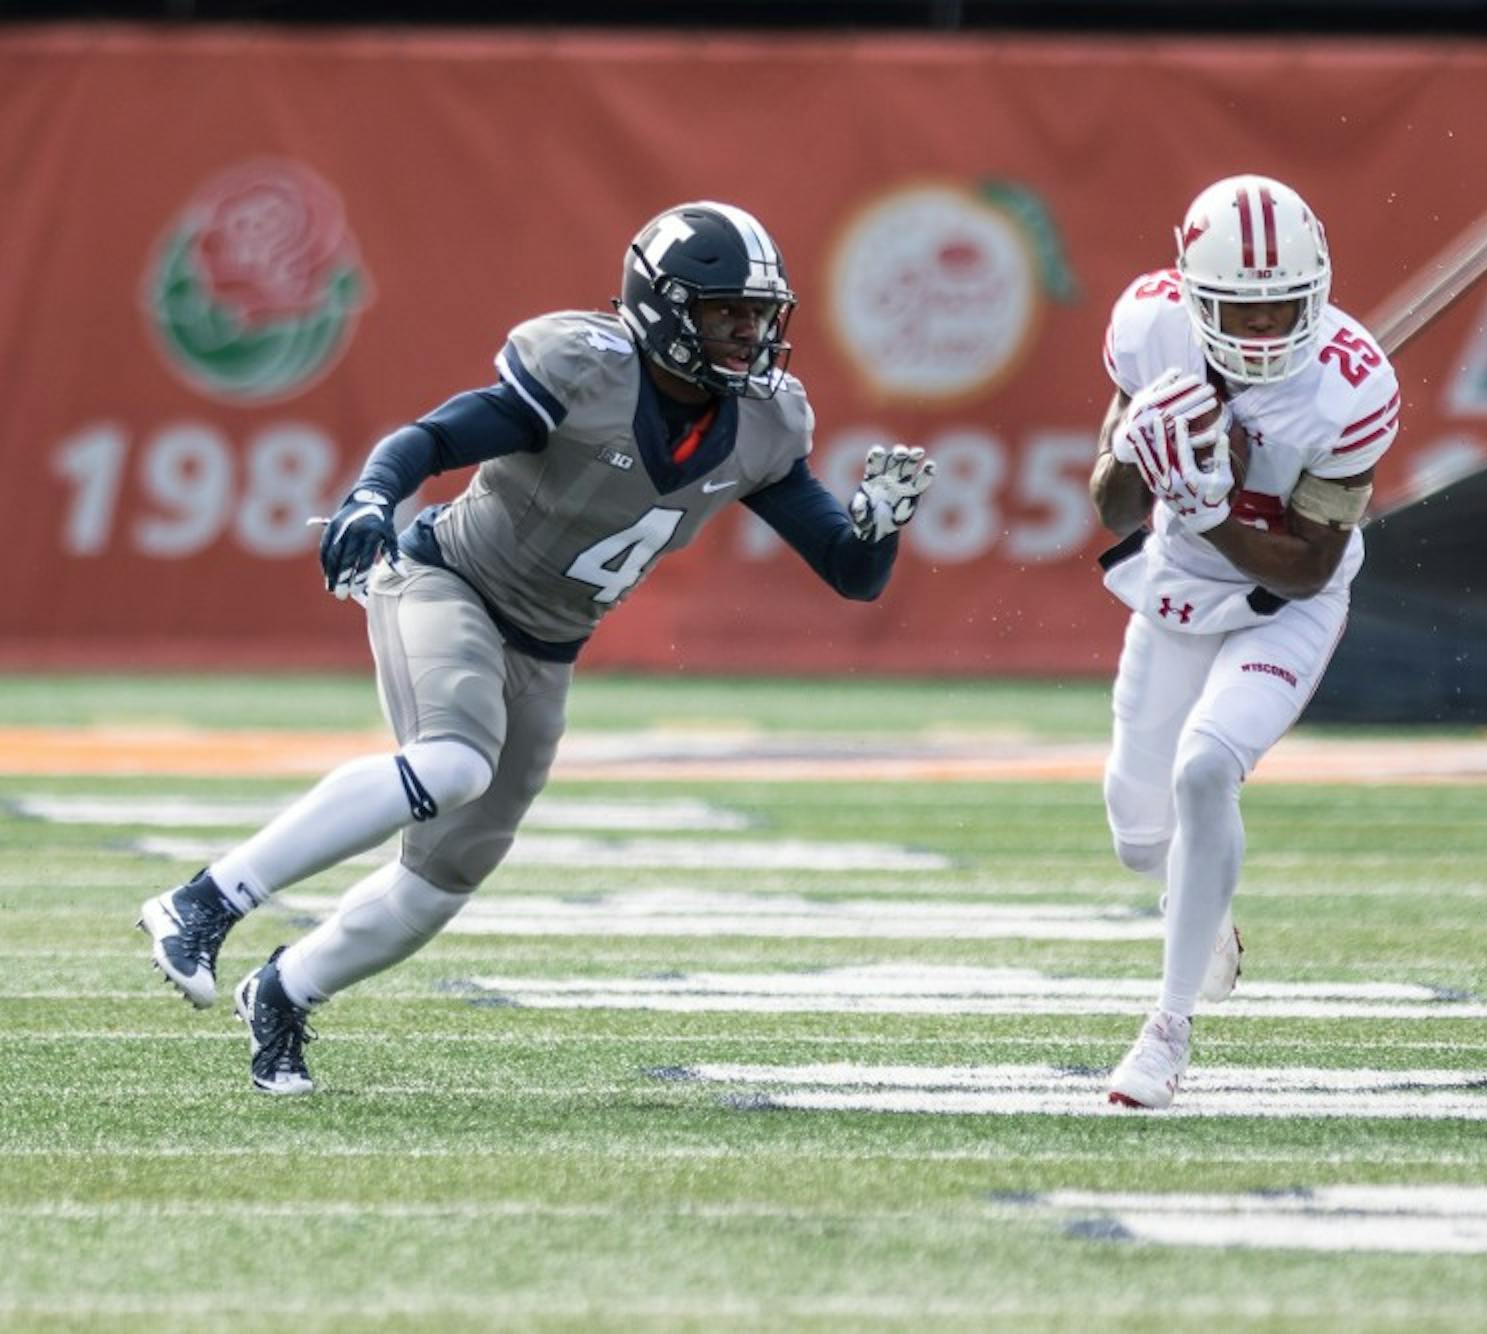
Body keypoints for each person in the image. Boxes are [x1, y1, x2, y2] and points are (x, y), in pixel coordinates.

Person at [137, 201, 936, 1094]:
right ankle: (206, 899)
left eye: (759, 314)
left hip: (549, 647)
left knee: (443, 881)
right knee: (451, 765)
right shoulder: (586, 370)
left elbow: (851, 574)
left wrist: (879, 529)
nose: (750, 333)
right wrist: (371, 496)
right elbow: (432, 439)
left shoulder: (761, 426)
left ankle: (284, 990)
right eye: (726, 313)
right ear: (666, 308)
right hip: (448, 583)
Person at [1090, 175, 1398, 1109]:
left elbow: (1305, 566)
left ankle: (1166, 1033)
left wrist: (1208, 506)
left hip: (1286, 607)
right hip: (1180, 593)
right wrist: (1139, 454)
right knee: (1142, 838)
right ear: (1192, 294)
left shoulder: (1353, 385)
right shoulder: (1149, 327)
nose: (1263, 334)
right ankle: (1204, 905)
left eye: (1282, 310)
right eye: (1240, 311)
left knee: (1203, 770)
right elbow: (1105, 503)